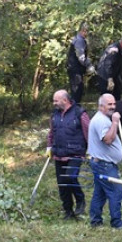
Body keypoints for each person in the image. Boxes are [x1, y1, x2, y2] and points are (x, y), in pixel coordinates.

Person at [46, 90, 90, 220]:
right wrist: (49, 147)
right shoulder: (55, 115)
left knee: (70, 178)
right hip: (59, 153)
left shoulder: (80, 113)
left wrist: (92, 151)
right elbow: (51, 133)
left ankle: (80, 201)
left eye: (56, 100)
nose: (54, 103)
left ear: (65, 100)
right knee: (62, 184)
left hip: (75, 153)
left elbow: (89, 132)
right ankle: (68, 211)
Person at [87, 93, 122, 228]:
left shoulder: (103, 119)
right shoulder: (101, 120)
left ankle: (96, 221)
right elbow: (108, 139)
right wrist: (115, 122)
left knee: (100, 192)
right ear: (101, 106)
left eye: (114, 104)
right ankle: (117, 222)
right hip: (104, 165)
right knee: (116, 191)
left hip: (102, 163)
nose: (113, 107)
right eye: (110, 104)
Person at [66, 22, 95, 104]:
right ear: (82, 31)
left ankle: (74, 110)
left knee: (77, 90)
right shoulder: (79, 40)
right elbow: (81, 57)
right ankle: (74, 111)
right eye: (86, 31)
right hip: (75, 69)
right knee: (77, 91)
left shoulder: (78, 39)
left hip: (75, 69)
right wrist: (89, 66)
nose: (87, 33)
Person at [95, 36, 122, 101]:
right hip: (105, 76)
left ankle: (115, 109)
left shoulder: (115, 47)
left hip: (110, 75)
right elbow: (108, 63)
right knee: (107, 98)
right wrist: (110, 78)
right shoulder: (115, 49)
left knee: (116, 95)